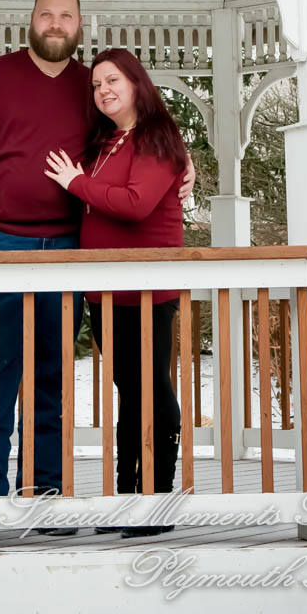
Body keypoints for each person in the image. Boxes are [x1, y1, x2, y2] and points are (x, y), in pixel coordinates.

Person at [0, 0, 193, 545]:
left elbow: (138, 132)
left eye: (66, 16)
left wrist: (183, 160)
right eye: (46, 15)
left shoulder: (91, 86)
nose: (56, 24)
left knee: (51, 377)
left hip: (71, 249)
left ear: (80, 24)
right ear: (29, 21)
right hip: (0, 244)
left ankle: (44, 501)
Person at [44, 47, 186, 538]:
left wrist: (76, 182)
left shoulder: (158, 137)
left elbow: (135, 204)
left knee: (152, 389)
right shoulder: (105, 141)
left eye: (113, 80)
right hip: (105, 293)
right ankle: (129, 497)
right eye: (97, 83)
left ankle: (157, 498)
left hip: (147, 291)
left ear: (136, 82)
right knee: (131, 391)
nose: (104, 89)